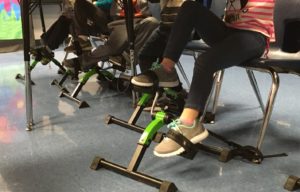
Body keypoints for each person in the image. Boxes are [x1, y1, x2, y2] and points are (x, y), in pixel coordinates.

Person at [131, 0, 275, 157]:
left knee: (205, 61)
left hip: (254, 36)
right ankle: (166, 68)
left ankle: (189, 123)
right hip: (227, 32)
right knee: (189, 7)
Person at [63, 0, 160, 71]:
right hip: (118, 21)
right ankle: (83, 47)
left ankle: (84, 60)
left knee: (152, 22)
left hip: (141, 20)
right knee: (79, 5)